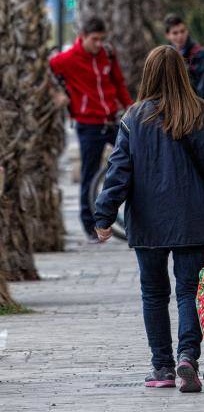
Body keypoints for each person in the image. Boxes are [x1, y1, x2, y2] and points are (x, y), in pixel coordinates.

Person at [94, 45, 204, 393]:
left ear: (149, 75)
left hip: (148, 222)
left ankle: (161, 366)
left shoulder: (133, 120)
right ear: (183, 73)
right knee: (190, 291)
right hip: (194, 221)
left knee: (154, 293)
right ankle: (187, 356)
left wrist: (104, 214)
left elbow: (118, 172)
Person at [49, 16, 132, 242]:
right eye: (94, 39)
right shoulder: (67, 59)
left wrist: (132, 110)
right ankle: (90, 226)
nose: (98, 44)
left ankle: (133, 217)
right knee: (89, 173)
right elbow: (46, 71)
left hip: (111, 120)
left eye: (101, 39)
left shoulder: (107, 54)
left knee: (135, 158)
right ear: (83, 37)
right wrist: (58, 94)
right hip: (88, 124)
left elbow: (119, 83)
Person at [165, 15, 204, 103]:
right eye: (175, 33)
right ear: (167, 35)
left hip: (196, 107)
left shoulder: (201, 55)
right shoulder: (165, 57)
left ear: (187, 31)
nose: (180, 36)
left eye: (182, 31)